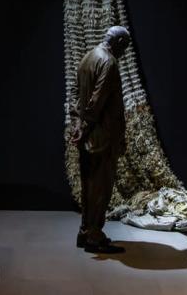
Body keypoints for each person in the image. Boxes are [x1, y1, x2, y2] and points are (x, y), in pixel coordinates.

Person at [71, 26, 131, 254]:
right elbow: (97, 100)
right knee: (100, 188)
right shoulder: (109, 62)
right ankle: (94, 237)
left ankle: (85, 231)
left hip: (87, 134)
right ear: (118, 42)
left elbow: (76, 95)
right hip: (102, 136)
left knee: (88, 185)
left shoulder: (88, 57)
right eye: (124, 46)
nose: (124, 52)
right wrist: (85, 126)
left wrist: (78, 126)